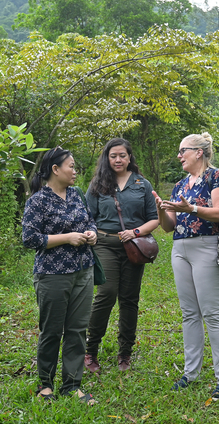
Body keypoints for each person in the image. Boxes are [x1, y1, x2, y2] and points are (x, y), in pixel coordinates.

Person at [152, 132, 219, 401]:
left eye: (182, 150)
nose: (179, 155)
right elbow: (168, 227)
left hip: (208, 247)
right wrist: (162, 210)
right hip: (180, 250)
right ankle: (191, 372)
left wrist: (193, 209)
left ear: (199, 152)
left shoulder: (216, 177)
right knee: (189, 313)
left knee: (211, 313)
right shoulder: (179, 185)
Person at [22, 147, 97, 404]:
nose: (75, 172)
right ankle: (46, 384)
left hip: (83, 271)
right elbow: (30, 238)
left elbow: (89, 221)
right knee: (51, 330)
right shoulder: (37, 201)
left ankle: (72, 385)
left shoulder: (76, 195)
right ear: (55, 170)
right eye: (71, 167)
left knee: (77, 330)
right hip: (52, 274)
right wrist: (67, 238)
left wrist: (91, 233)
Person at [84, 138, 159, 373]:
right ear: (107, 158)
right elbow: (88, 217)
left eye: (122, 155)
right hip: (105, 244)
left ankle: (125, 352)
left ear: (129, 158)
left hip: (134, 247)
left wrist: (135, 231)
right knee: (105, 294)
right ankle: (91, 350)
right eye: (113, 155)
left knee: (129, 299)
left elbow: (154, 218)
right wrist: (90, 235)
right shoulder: (98, 184)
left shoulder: (142, 184)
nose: (118, 159)